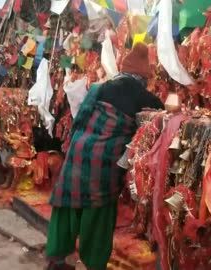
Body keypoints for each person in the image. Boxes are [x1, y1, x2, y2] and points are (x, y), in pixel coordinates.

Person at [45, 43, 164, 270]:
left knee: (66, 205)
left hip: (78, 152)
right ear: (143, 76)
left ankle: (57, 260)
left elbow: (78, 122)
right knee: (98, 213)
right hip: (104, 162)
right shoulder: (148, 100)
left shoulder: (98, 89)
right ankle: (93, 263)